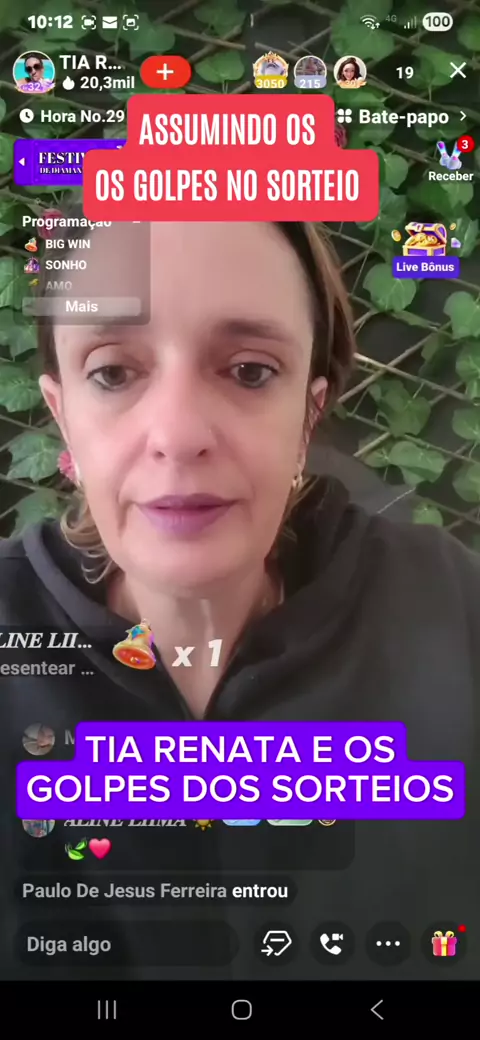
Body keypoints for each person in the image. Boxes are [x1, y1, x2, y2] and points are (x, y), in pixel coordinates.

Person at [0, 215, 478, 982]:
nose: (179, 433)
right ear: (63, 419)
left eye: (251, 371)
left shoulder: (452, 610)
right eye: (114, 373)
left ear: (308, 418)